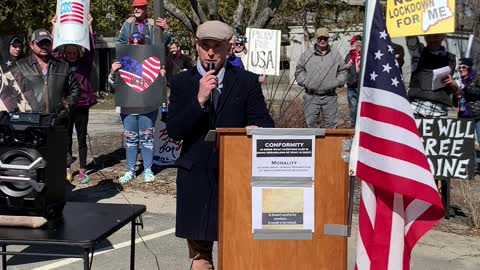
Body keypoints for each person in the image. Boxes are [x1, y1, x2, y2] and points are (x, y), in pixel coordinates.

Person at [166, 20, 274, 270]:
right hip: (196, 177)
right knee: (201, 259)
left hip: (235, 177)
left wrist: (256, 131)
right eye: (205, 46)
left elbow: (265, 123)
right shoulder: (183, 83)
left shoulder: (246, 81)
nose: (211, 52)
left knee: (237, 251)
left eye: (217, 46)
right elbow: (174, 130)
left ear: (229, 47)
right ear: (197, 46)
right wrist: (199, 99)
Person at [109, 32, 165, 184]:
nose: (135, 43)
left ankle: (148, 169)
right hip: (127, 109)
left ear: (144, 44)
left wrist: (161, 76)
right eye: (132, 41)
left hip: (148, 108)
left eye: (139, 41)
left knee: (147, 140)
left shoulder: (154, 61)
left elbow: (160, 87)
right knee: (131, 140)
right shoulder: (120, 62)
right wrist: (113, 72)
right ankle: (130, 170)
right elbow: (112, 87)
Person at [51, 14, 97, 184]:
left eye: (73, 52)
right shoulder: (61, 64)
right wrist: (54, 26)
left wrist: (89, 26)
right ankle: (68, 169)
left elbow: (91, 48)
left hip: (83, 104)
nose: (71, 55)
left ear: (78, 52)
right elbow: (53, 51)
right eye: (68, 52)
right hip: (67, 106)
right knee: (67, 138)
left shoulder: (85, 63)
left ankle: (84, 170)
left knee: (82, 139)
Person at [8, 29, 80, 114]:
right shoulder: (20, 66)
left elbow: (75, 89)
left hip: (57, 120)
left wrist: (67, 104)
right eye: (40, 43)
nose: (44, 46)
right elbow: (9, 91)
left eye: (47, 43)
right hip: (29, 121)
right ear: (31, 45)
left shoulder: (63, 66)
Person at [295, 27, 348, 128]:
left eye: (325, 38)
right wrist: (305, 81)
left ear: (328, 39)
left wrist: (339, 81)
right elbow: (299, 70)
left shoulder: (335, 54)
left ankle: (329, 144)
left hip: (330, 97)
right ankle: (315, 144)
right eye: (320, 38)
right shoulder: (307, 54)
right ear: (316, 39)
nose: (322, 40)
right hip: (311, 97)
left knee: (331, 127)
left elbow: (343, 70)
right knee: (311, 125)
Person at [407, 34, 460, 117]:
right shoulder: (417, 53)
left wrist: (452, 83)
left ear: (443, 36)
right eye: (428, 36)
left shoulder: (452, 59)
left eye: (435, 36)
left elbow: (457, 86)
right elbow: (410, 38)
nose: (432, 39)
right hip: (415, 109)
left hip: (440, 113)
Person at [344, 34, 362, 128]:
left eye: (352, 42)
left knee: (363, 107)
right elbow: (345, 69)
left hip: (362, 86)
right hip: (352, 85)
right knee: (353, 107)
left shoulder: (366, 54)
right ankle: (353, 126)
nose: (350, 44)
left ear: (358, 43)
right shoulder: (349, 56)